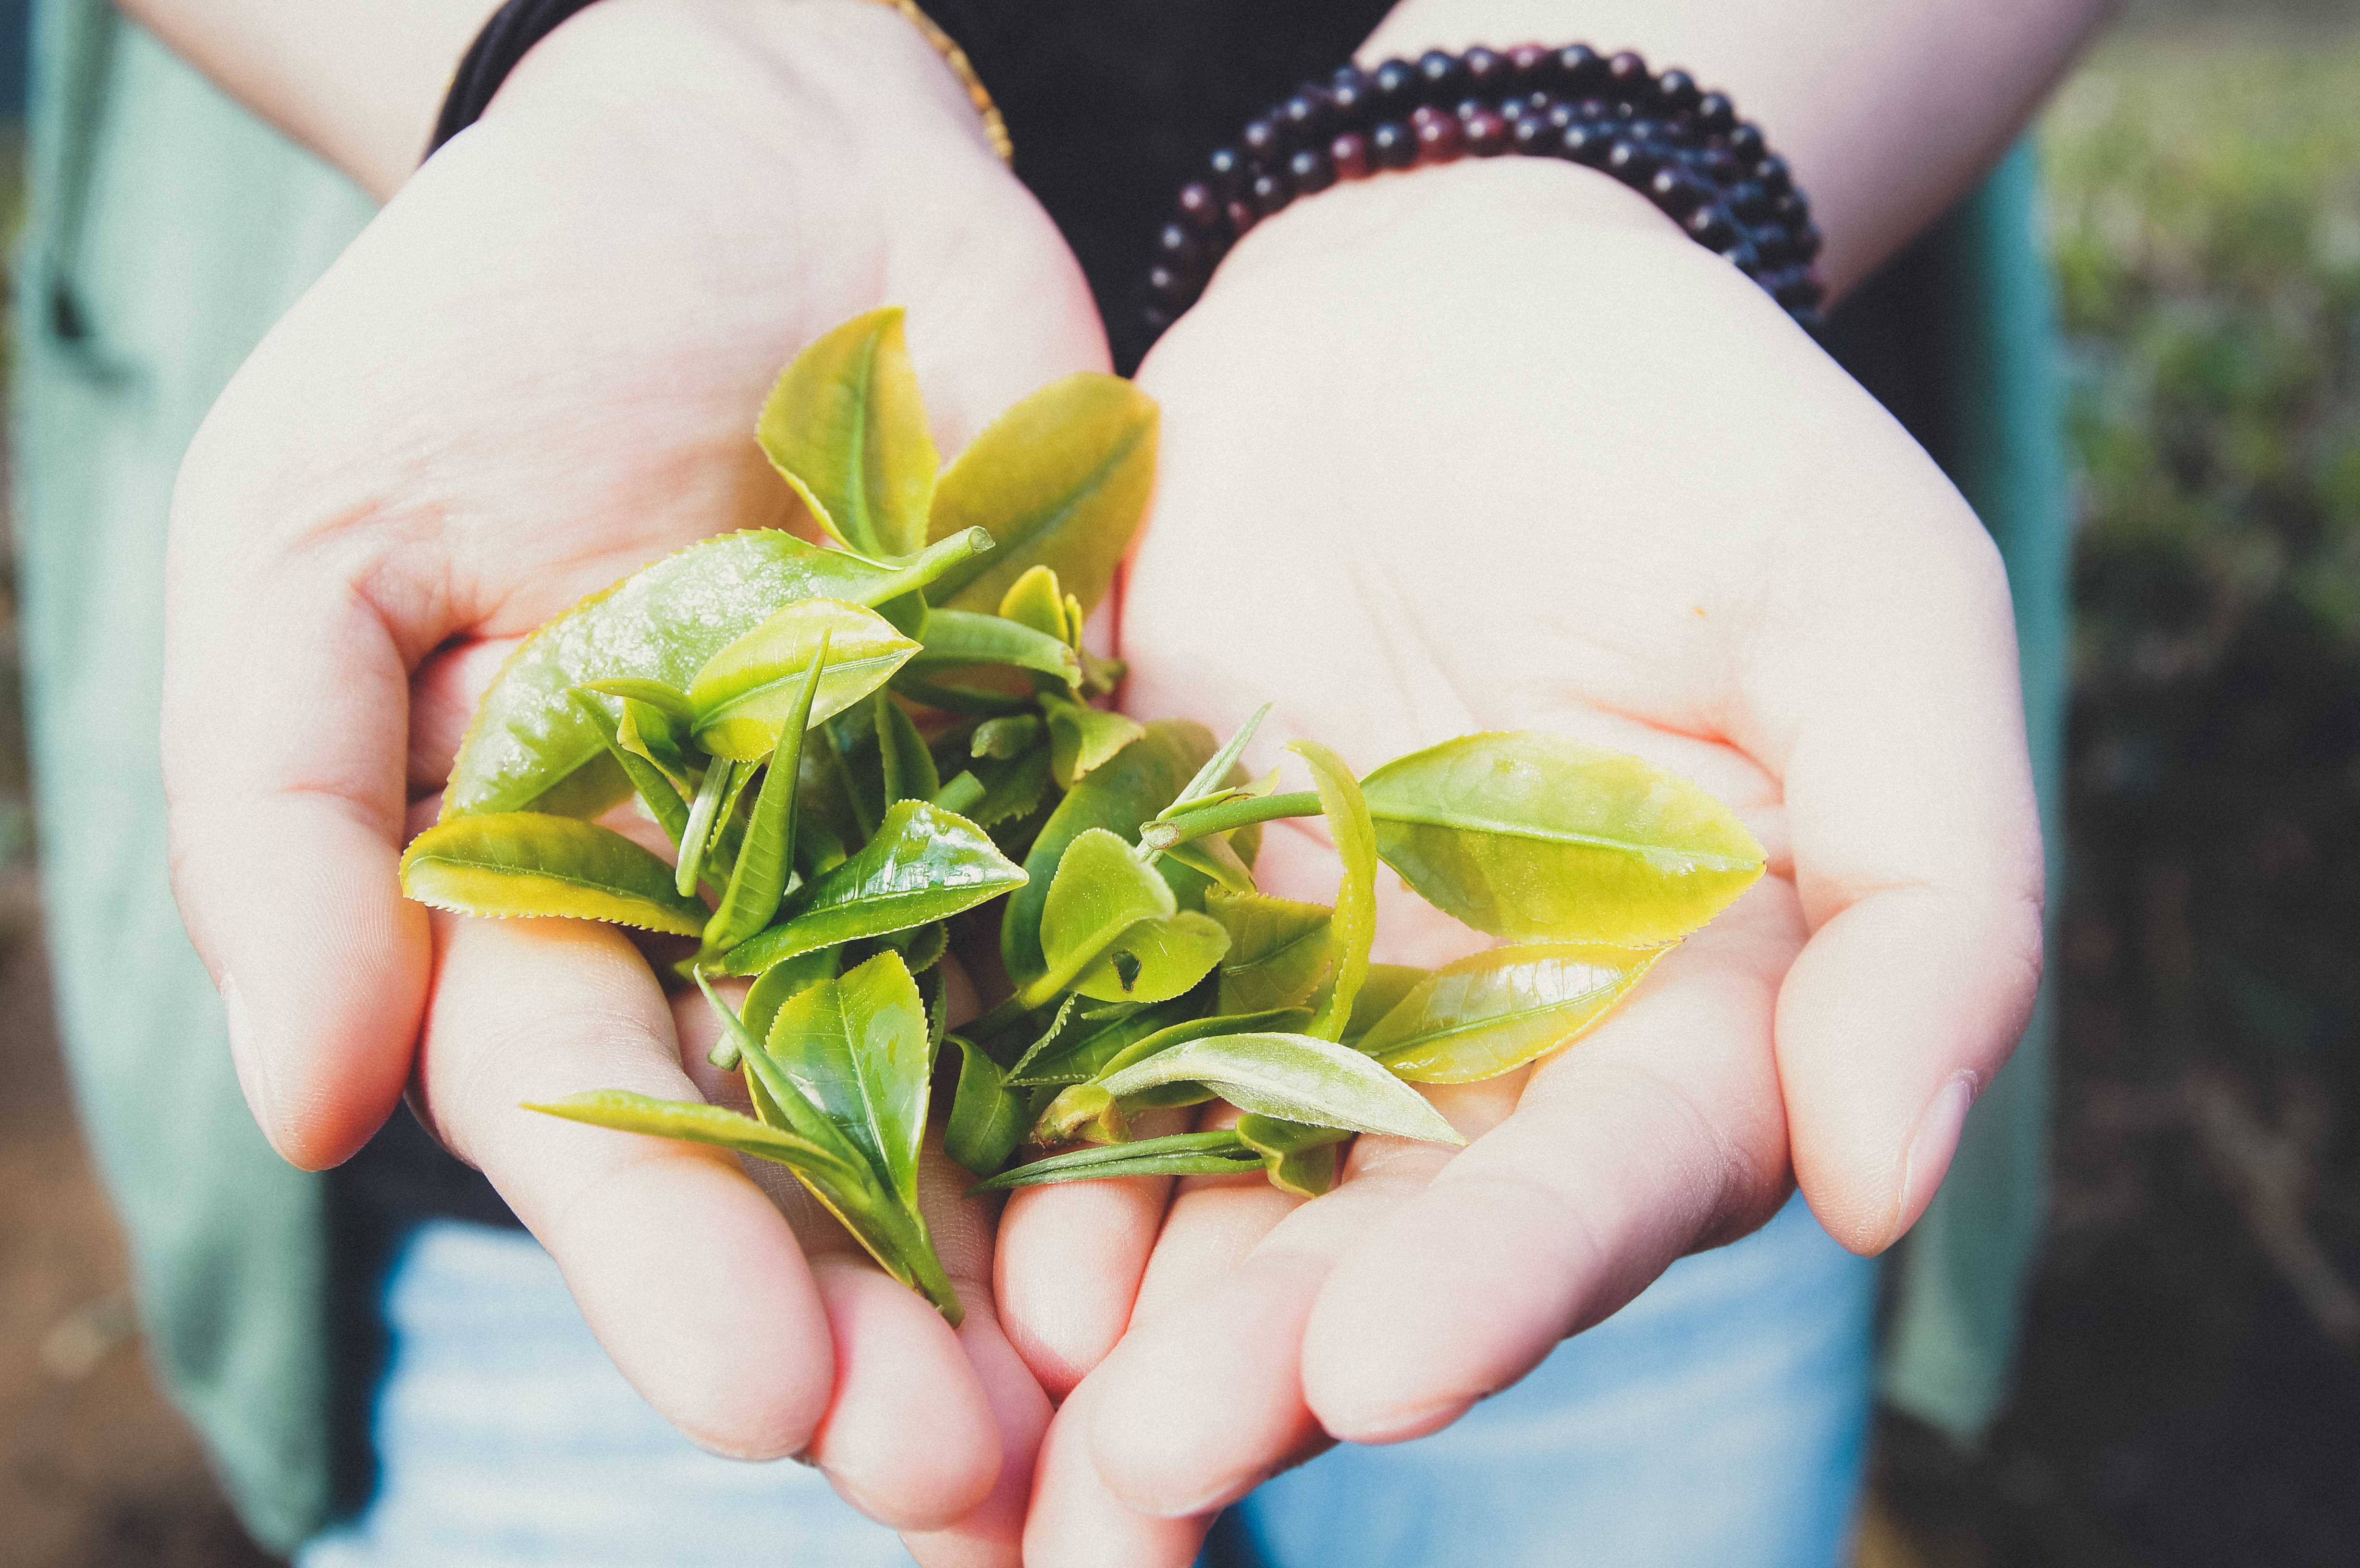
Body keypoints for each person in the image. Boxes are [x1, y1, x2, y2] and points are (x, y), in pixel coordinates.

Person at [16, 0, 2103, 1562]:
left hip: (1591, 738)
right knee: (755, 1367)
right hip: (658, 1139)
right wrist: (638, 45)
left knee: (1474, 1323)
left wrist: (1573, 128)